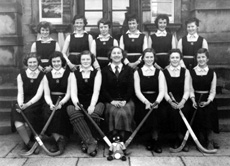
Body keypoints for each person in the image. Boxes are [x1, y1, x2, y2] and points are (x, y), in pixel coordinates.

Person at [67, 51, 104, 157]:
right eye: (83, 59)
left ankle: (85, 141)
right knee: (71, 110)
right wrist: (76, 103)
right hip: (78, 101)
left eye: (88, 59)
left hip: (95, 100)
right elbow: (73, 92)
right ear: (80, 60)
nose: (86, 61)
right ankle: (91, 141)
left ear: (92, 60)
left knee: (94, 114)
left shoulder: (97, 72)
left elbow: (96, 91)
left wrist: (92, 105)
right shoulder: (74, 72)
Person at [134, 48, 165, 153]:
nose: (149, 59)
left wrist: (156, 102)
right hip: (142, 100)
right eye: (147, 57)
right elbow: (137, 91)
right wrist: (146, 102)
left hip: (156, 100)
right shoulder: (137, 72)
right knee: (145, 115)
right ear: (143, 58)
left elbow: (162, 91)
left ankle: (156, 140)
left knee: (157, 115)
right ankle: (148, 140)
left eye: (151, 57)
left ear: (154, 58)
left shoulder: (159, 72)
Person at [101, 46, 134, 141]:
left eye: (118, 53)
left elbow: (130, 87)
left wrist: (125, 100)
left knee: (124, 112)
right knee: (113, 111)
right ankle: (114, 136)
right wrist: (112, 101)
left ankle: (123, 137)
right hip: (110, 101)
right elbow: (104, 89)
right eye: (114, 53)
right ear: (110, 56)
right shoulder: (104, 71)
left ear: (122, 55)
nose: (116, 55)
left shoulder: (128, 70)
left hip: (126, 100)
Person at [13, 53, 44, 153]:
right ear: (27, 63)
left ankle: (32, 139)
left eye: (34, 62)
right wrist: (21, 104)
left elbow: (39, 94)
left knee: (30, 112)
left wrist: (27, 105)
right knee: (16, 112)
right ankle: (28, 143)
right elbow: (20, 92)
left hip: (36, 101)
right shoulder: (21, 75)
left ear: (38, 63)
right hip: (23, 99)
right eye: (30, 62)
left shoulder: (43, 75)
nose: (32, 64)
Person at [43, 51, 72, 155]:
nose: (56, 63)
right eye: (54, 61)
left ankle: (61, 139)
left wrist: (61, 103)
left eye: (58, 61)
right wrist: (50, 104)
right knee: (48, 112)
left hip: (64, 100)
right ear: (51, 63)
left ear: (62, 61)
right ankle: (59, 140)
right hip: (51, 100)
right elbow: (46, 94)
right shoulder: (47, 75)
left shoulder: (69, 74)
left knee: (60, 113)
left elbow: (69, 93)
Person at [190, 48, 219, 150]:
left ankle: (210, 139)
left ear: (207, 59)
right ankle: (201, 139)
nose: (201, 59)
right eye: (199, 57)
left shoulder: (212, 73)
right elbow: (190, 89)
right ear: (196, 59)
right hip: (196, 98)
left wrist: (208, 101)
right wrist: (193, 100)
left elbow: (213, 91)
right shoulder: (192, 72)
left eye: (203, 57)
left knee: (209, 113)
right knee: (198, 115)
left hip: (207, 99)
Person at [164, 49, 190, 152]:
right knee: (172, 112)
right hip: (169, 100)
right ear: (169, 59)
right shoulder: (164, 72)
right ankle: (175, 139)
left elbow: (187, 90)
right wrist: (171, 102)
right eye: (172, 57)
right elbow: (164, 91)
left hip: (182, 99)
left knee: (186, 110)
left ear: (180, 59)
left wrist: (183, 102)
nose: (175, 60)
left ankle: (183, 139)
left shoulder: (185, 71)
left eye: (177, 57)